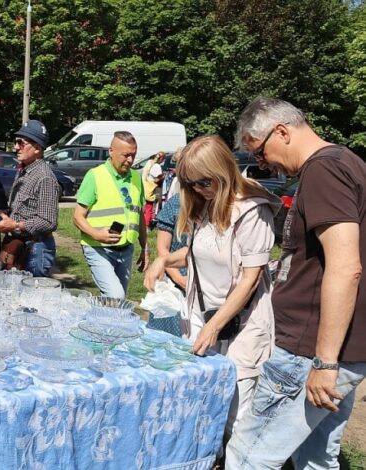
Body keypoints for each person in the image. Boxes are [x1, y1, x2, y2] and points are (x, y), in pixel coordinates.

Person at [226, 97, 366, 468]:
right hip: (336, 347)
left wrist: (325, 361)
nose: (263, 164)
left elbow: (346, 265)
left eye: (260, 153)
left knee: (248, 456)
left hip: (311, 350)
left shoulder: (324, 171)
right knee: (315, 458)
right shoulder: (346, 162)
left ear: (282, 131)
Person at [144, 135, 279, 439]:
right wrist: (163, 261)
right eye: (190, 184)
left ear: (223, 171)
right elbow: (195, 250)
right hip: (204, 316)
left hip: (241, 325)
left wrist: (215, 325)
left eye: (204, 182)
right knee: (202, 399)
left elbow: (251, 277)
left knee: (236, 414)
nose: (197, 190)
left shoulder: (253, 211)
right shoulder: (206, 204)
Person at [73, 131, 149, 298]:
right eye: (125, 155)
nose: (130, 160)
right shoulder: (95, 176)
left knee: (117, 305)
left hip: (126, 249)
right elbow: (77, 216)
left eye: (133, 155)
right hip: (98, 248)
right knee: (116, 296)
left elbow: (139, 216)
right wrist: (98, 235)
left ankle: (98, 322)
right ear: (111, 151)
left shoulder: (136, 178)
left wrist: (145, 247)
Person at [0, 119, 60, 277]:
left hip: (36, 250)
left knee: (31, 298)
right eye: (16, 142)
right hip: (20, 246)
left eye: (20, 143)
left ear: (37, 148)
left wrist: (14, 225)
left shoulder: (45, 177)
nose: (16, 147)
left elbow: (48, 221)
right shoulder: (24, 170)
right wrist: (2, 215)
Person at [141, 151, 166, 226]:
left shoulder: (149, 162)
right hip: (153, 188)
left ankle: (143, 222)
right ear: (161, 159)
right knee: (151, 207)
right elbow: (157, 179)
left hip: (146, 186)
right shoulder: (157, 166)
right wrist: (163, 176)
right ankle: (147, 225)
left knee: (145, 207)